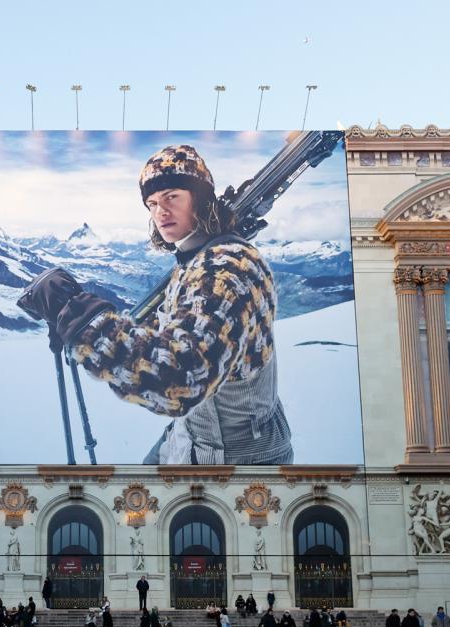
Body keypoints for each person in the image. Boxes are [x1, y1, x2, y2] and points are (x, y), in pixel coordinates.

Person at [17, 144, 292, 466]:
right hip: (193, 435)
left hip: (233, 456)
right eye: (152, 203)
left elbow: (178, 377)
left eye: (172, 197)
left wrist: (82, 320)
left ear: (201, 198)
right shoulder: (199, 258)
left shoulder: (227, 268)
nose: (160, 212)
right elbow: (174, 333)